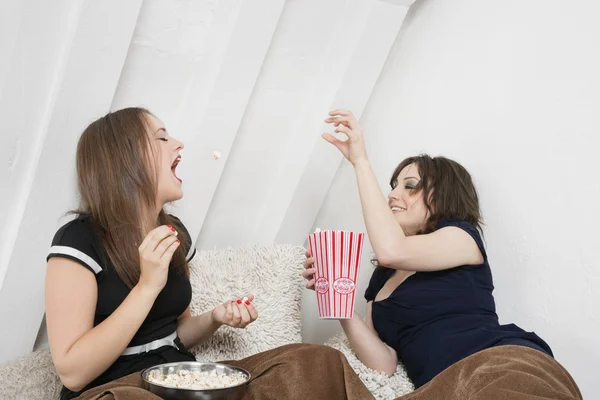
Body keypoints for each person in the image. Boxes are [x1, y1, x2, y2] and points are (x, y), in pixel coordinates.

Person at [45, 107, 372, 400]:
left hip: (181, 381)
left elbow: (175, 335)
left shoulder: (174, 233)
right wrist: (147, 286)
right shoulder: (79, 239)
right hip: (117, 391)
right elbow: (74, 372)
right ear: (124, 158)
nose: (178, 144)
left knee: (315, 361)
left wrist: (214, 318)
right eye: (162, 138)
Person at [303, 109, 582, 399]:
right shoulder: (382, 280)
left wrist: (359, 161)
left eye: (410, 186)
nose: (393, 195)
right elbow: (383, 364)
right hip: (438, 388)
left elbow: (391, 249)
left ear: (443, 197)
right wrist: (339, 301)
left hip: (496, 364)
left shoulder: (461, 237)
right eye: (393, 186)